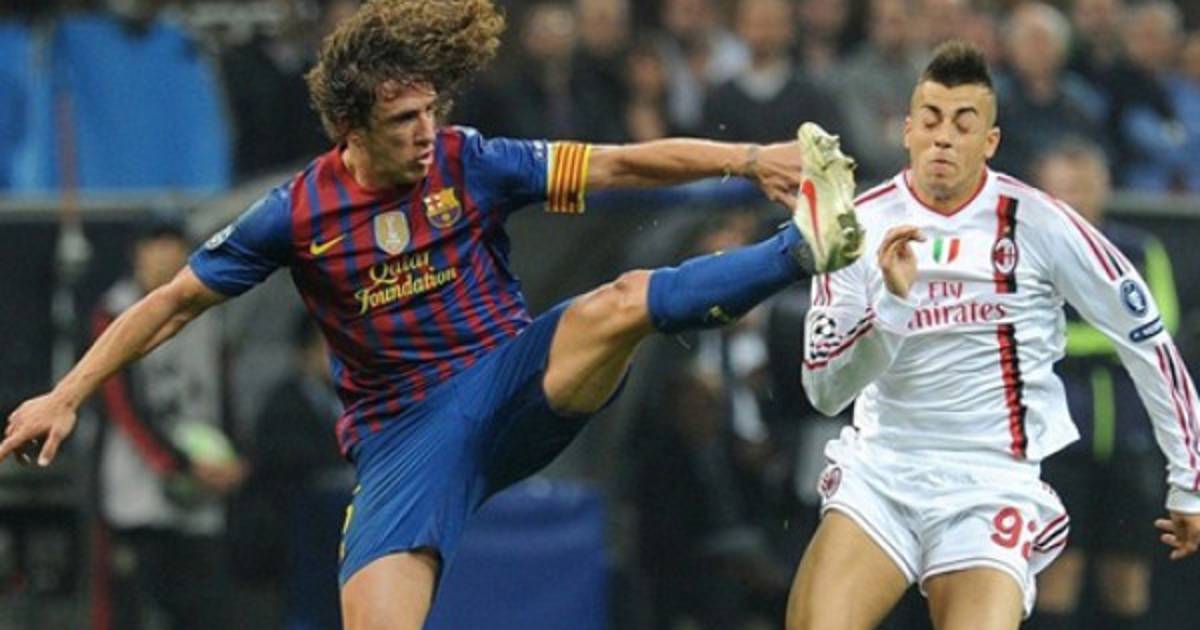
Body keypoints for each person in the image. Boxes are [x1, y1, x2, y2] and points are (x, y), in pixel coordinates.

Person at [0, 1, 864, 628]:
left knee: (621, 300)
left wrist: (747, 157)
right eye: (403, 119)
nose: (425, 132)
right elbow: (171, 305)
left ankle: (801, 251)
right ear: (350, 127)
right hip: (406, 439)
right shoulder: (295, 214)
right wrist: (65, 394)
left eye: (429, 112)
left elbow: (619, 165)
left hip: (512, 382)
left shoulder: (469, 160)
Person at [786, 41, 1200, 630]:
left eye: (963, 124)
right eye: (931, 120)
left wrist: (1189, 481)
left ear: (990, 141)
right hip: (882, 472)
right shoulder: (859, 226)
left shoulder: (1040, 222)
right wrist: (894, 308)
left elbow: (1148, 342)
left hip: (990, 482)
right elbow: (825, 392)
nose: (943, 138)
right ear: (907, 130)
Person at [1029, 139, 1179, 628]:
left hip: (1130, 443)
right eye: (1064, 189)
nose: (1076, 198)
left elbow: (1163, 329)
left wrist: (1080, 343)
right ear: (1043, 192)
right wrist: (1117, 340)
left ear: (1105, 185)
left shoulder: (1139, 250)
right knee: (1056, 575)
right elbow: (1031, 338)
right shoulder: (1031, 255)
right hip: (1058, 446)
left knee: (1127, 579)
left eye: (1084, 186)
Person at [90, 217, 245, 630]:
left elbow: (226, 392)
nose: (163, 253)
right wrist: (177, 464)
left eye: (172, 242)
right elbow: (122, 404)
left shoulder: (211, 310)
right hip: (138, 491)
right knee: (137, 609)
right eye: (154, 243)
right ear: (137, 253)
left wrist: (236, 456)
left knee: (204, 609)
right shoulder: (114, 309)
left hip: (204, 492)